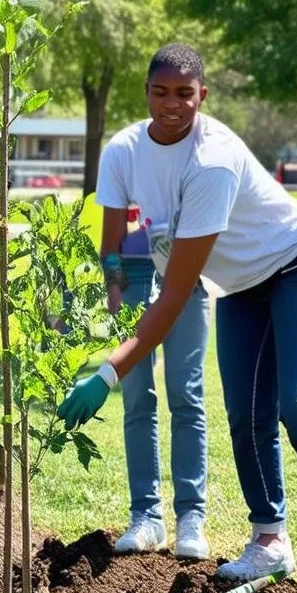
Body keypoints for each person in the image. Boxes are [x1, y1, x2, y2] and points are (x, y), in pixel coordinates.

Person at [60, 42, 297, 593]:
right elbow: (119, 247)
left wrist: (107, 371)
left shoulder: (212, 160)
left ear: (203, 95)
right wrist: (117, 296)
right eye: (160, 92)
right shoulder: (131, 150)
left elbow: (174, 296)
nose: (172, 104)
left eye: (185, 93)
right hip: (244, 287)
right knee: (246, 415)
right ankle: (270, 540)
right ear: (146, 92)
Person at [96, 201, 210, 559]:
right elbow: (111, 238)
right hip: (131, 279)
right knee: (137, 400)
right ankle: (146, 515)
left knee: (185, 395)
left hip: (186, 275)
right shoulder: (124, 157)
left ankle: (191, 517)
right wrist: (114, 288)